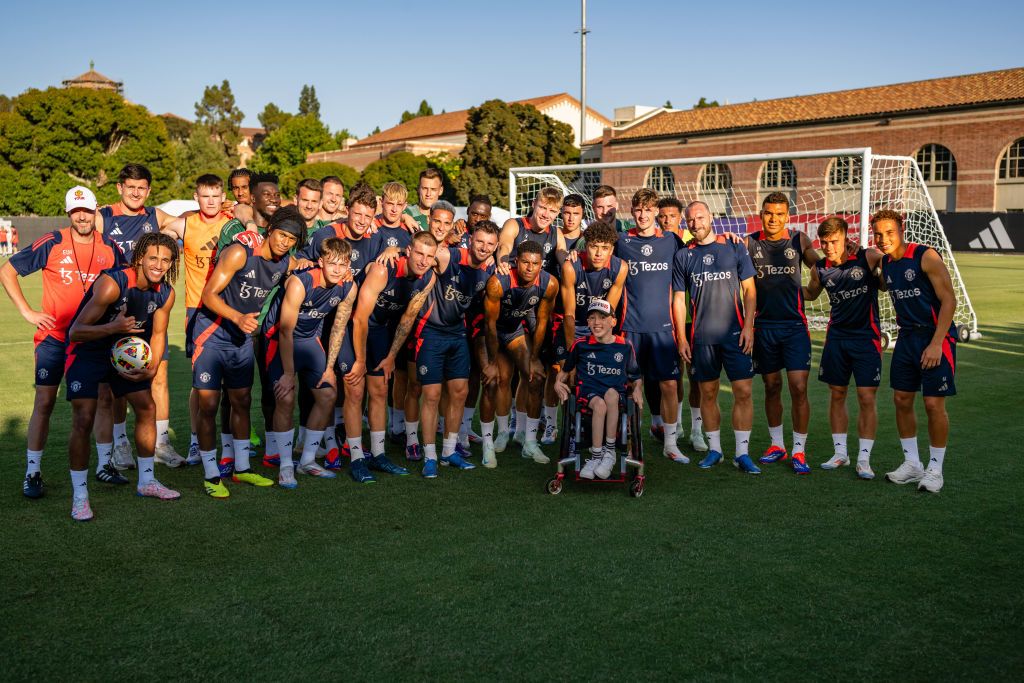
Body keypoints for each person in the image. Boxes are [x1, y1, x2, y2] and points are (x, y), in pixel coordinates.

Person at [1, 186, 125, 499]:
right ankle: (33, 472)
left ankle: (105, 465)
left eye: (86, 210)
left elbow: (124, 283)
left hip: (94, 340)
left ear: (95, 210)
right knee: (44, 402)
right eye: (75, 211)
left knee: (104, 400)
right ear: (69, 213)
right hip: (54, 339)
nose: (81, 216)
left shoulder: (111, 247)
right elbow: (8, 271)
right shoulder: (53, 242)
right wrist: (28, 311)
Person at [191, 206, 306, 497]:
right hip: (213, 334)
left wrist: (305, 263)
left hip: (240, 340)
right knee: (208, 405)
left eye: (291, 239)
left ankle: (242, 469)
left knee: (242, 401)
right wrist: (237, 318)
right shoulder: (240, 252)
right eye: (281, 235)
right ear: (270, 230)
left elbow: (298, 264)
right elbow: (208, 296)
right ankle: (211, 474)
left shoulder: (284, 262)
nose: (284, 242)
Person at [64, 232, 180, 521]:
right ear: (140, 257)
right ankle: (80, 497)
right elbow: (75, 331)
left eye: (166, 260)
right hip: (88, 351)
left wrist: (151, 368)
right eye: (153, 258)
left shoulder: (165, 293)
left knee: (146, 406)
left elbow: (158, 334)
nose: (159, 265)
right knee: (83, 417)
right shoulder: (112, 284)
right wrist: (114, 327)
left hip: (123, 352)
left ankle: (147, 481)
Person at [393, 216, 499, 478]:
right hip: (430, 332)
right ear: (470, 240)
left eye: (490, 244)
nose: (484, 247)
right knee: (430, 395)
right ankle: (430, 455)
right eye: (480, 241)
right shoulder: (447, 256)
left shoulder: (489, 271)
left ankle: (449, 451)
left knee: (460, 392)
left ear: (496, 247)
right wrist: (392, 249)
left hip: (457, 334)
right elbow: (421, 253)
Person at [95, 163, 179, 470]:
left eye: (141, 187)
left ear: (149, 190)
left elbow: (187, 224)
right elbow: (78, 225)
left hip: (150, 307)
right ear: (119, 187)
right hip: (116, 309)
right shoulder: (103, 217)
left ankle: (160, 444)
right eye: (130, 186)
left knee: (159, 376)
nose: (135, 192)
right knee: (116, 381)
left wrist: (229, 210)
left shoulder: (155, 216)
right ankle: (120, 444)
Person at [672, 201, 761, 475]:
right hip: (702, 338)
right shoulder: (683, 256)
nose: (695, 223)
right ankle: (715, 450)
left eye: (700, 217)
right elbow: (678, 300)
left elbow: (750, 291)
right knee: (707, 393)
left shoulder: (734, 247)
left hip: (736, 335)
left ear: (710, 218)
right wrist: (682, 337)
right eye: (690, 220)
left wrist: (748, 327)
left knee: (743, 392)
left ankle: (742, 454)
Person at [874, 209, 958, 493]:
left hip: (935, 337)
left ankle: (935, 469)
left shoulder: (926, 255)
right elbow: (882, 282)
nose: (883, 239)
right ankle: (912, 464)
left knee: (934, 404)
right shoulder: (885, 263)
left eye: (889, 232)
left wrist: (936, 342)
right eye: (878, 234)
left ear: (902, 229)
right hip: (907, 338)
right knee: (901, 399)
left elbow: (949, 300)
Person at [264, 237, 358, 487]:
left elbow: (338, 327)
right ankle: (285, 465)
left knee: (328, 395)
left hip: (309, 341)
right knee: (284, 396)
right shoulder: (300, 282)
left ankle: (307, 461)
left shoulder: (348, 286)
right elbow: (285, 330)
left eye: (343, 264)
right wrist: (287, 373)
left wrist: (329, 368)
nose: (338, 270)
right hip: (280, 341)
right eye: (332, 264)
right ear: (320, 261)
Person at [348, 232, 438, 476]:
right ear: (407, 251)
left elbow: (407, 319)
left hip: (380, 331)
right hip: (354, 326)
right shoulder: (383, 269)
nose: (423, 260)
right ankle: (356, 458)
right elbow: (359, 318)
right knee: (356, 391)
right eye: (419, 253)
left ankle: (378, 455)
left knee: (379, 390)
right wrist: (361, 359)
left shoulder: (428, 277)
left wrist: (390, 356)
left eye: (429, 256)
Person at [161, 174, 234, 467]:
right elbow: (165, 229)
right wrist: (167, 239)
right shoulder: (186, 223)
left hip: (229, 308)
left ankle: (229, 444)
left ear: (222, 196)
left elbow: (248, 219)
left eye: (216, 195)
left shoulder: (232, 222)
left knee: (232, 382)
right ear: (196, 197)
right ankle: (195, 442)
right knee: (200, 383)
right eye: (206, 196)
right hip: (197, 310)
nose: (211, 201)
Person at [803, 216, 883, 479]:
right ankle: (840, 454)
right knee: (837, 394)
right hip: (836, 338)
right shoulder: (820, 268)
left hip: (866, 339)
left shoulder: (868, 257)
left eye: (834, 241)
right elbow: (810, 293)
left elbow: (887, 275)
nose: (828, 247)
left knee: (866, 397)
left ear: (846, 237)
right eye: (824, 242)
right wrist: (780, 283)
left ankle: (864, 459)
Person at [745, 192, 819, 474]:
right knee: (772, 386)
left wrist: (816, 280)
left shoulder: (799, 240)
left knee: (798, 387)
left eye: (778, 214)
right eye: (768, 213)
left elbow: (817, 263)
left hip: (794, 327)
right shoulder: (750, 242)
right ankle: (777, 445)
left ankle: (799, 451)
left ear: (787, 216)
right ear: (761, 214)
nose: (773, 218)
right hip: (763, 327)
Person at [614, 189, 687, 462]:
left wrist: (728, 240)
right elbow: (592, 251)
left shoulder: (671, 241)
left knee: (669, 385)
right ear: (631, 212)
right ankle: (631, 442)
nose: (643, 215)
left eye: (648, 209)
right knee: (632, 388)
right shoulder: (621, 242)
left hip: (663, 329)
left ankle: (670, 443)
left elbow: (700, 249)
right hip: (630, 328)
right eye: (638, 210)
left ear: (656, 212)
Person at [480, 239, 559, 467]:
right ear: (516, 262)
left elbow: (542, 322)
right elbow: (490, 325)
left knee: (536, 378)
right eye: (525, 262)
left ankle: (530, 442)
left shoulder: (549, 284)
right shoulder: (498, 283)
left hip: (514, 331)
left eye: (535, 263)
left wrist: (534, 359)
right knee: (493, 380)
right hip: (487, 332)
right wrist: (493, 361)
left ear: (541, 264)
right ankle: (492, 440)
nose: (529, 268)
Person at [554, 299, 642, 479]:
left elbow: (636, 376)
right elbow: (564, 372)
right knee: (600, 404)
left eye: (602, 317)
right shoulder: (581, 344)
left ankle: (609, 453)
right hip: (588, 395)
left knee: (610, 394)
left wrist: (638, 388)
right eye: (592, 318)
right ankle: (596, 456)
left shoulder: (624, 346)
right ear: (587, 322)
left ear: (613, 322)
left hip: (615, 397)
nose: (596, 322)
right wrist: (557, 383)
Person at [656, 196, 706, 450]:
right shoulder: (654, 242)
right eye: (662, 216)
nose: (666, 220)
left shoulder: (692, 241)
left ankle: (697, 430)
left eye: (672, 216)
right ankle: (676, 427)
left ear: (681, 219)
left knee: (695, 376)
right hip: (665, 320)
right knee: (673, 377)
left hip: (693, 319)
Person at [539, 193, 587, 445]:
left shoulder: (588, 241)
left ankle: (578, 423)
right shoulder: (552, 236)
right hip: (551, 313)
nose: (570, 218)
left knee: (579, 373)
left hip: (580, 317)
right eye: (566, 212)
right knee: (553, 371)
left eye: (575, 213)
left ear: (582, 215)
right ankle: (550, 424)